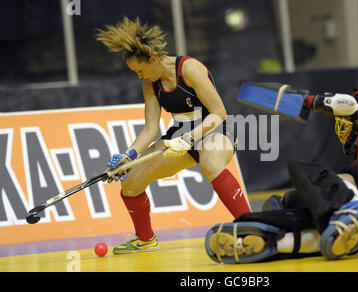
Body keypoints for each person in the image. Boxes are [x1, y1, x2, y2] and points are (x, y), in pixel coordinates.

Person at [204, 86, 358, 264]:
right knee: (337, 233)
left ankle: (318, 209)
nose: (342, 127)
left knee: (314, 180)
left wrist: (308, 101)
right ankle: (273, 241)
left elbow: (351, 108)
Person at [96, 17, 251, 255]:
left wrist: (189, 138)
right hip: (179, 134)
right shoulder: (150, 83)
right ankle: (145, 239)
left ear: (152, 58)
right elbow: (150, 128)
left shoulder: (189, 68)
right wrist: (128, 155)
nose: (139, 76)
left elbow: (219, 113)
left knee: (210, 163)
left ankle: (253, 228)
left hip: (215, 128)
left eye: (139, 70)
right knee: (131, 182)